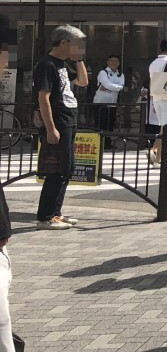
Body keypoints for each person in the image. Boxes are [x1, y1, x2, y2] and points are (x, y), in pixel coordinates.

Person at [34, 25, 89, 231]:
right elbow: (43, 98)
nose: (80, 47)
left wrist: (79, 59)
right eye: (77, 43)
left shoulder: (64, 65)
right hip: (58, 121)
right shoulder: (46, 65)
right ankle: (45, 217)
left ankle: (56, 213)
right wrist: (50, 128)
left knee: (66, 169)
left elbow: (83, 82)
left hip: (69, 119)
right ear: (65, 42)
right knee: (55, 170)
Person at [93, 54, 125, 141]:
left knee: (109, 125)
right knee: (100, 125)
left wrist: (109, 88)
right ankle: (99, 144)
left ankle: (107, 144)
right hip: (100, 103)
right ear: (108, 62)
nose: (114, 63)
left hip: (112, 103)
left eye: (116, 61)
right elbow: (107, 84)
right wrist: (115, 87)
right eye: (112, 61)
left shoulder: (120, 74)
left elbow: (121, 86)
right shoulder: (103, 72)